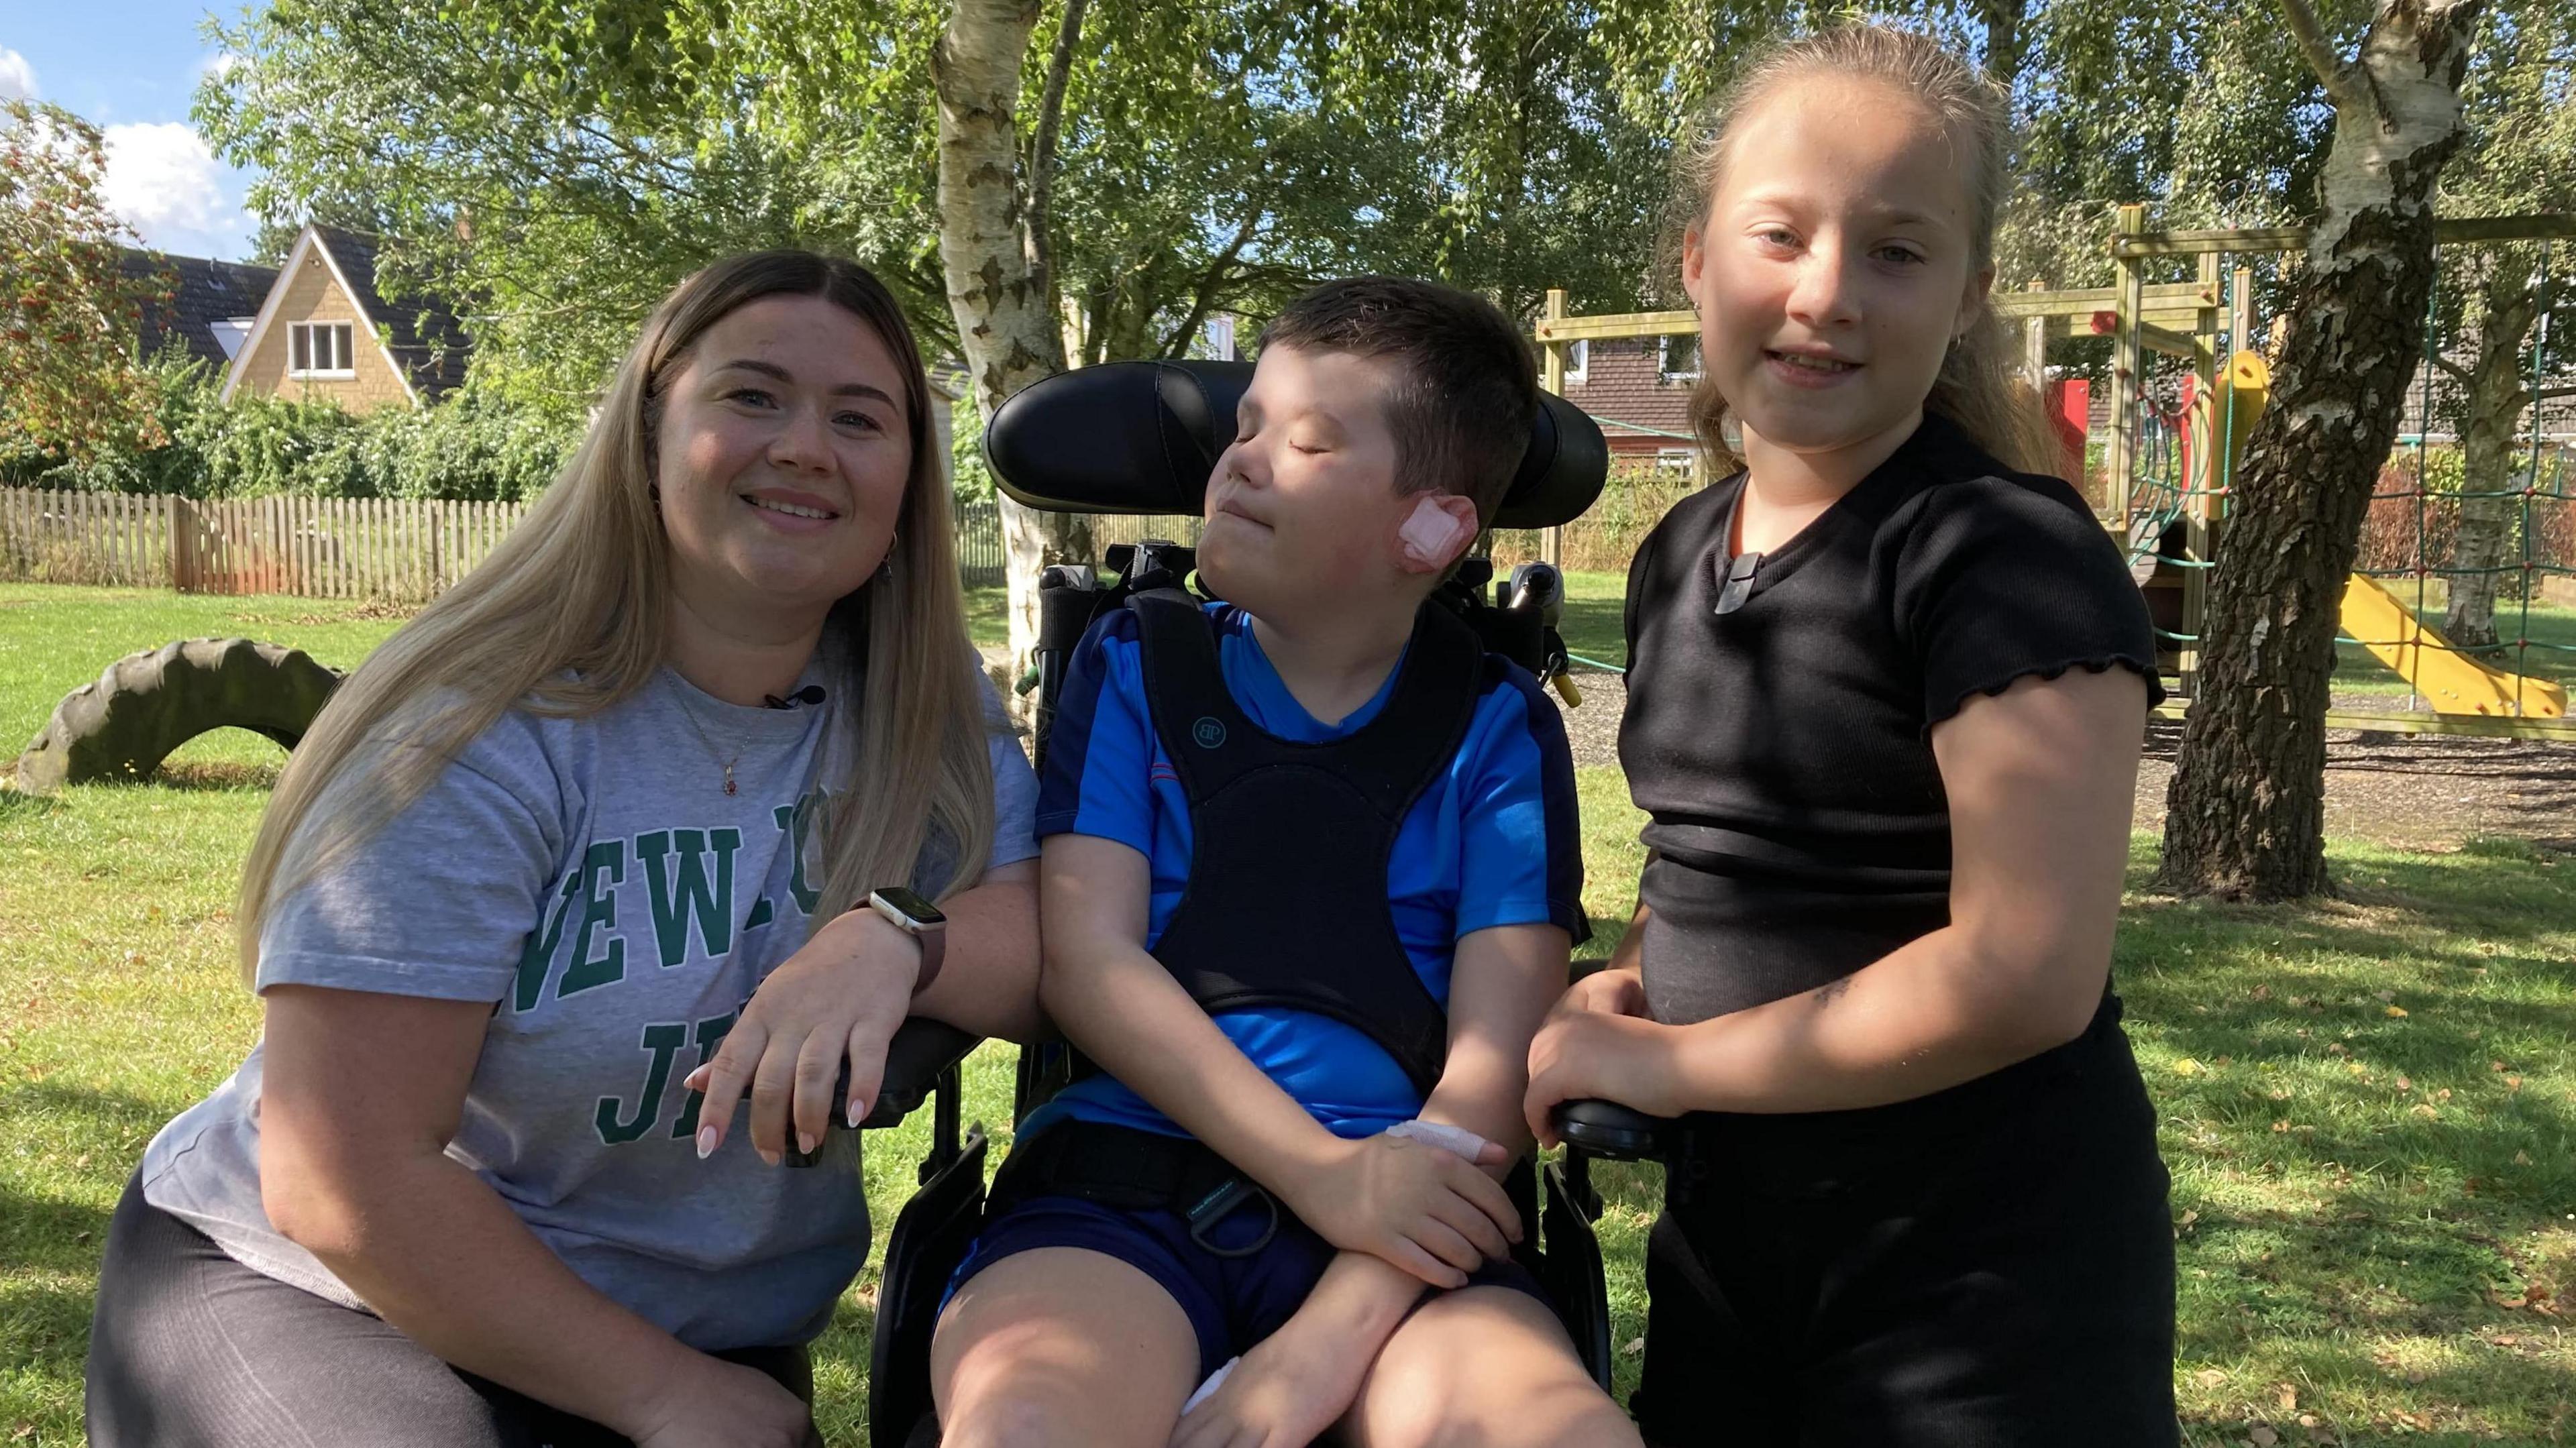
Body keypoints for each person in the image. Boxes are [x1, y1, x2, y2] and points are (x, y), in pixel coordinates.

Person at [85, 251, 1044, 1448]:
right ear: (647, 435)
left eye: (861, 418)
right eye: (752, 396)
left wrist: (892, 940)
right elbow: (346, 1176)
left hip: (701, 1322)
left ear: (908, 482)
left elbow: (1049, 936)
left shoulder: (919, 708)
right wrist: (668, 1397)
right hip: (336, 1291)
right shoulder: (477, 729)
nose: (807, 446)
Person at [1522, 25, 2178, 1447]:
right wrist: (1624, 985)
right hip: (1734, 1251)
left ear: (1967, 297)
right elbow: (1724, 854)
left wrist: (1668, 1067)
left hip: (1984, 1284)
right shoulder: (1681, 552)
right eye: (1781, 234)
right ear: (1696, 261)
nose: (1827, 294)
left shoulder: (2004, 556)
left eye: (1895, 250)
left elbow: (2023, 977)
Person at [930, 278, 1640, 1448]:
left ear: (1436, 530)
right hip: (1115, 1196)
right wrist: (1320, 1176)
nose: (1241, 463)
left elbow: (1490, 1069)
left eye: (1306, 441)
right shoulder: (1134, 668)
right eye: (1245, 426)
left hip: (1417, 1228)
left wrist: (1322, 1345)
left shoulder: (1495, 730)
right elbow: (1087, 967)